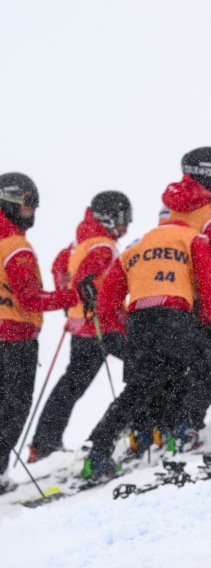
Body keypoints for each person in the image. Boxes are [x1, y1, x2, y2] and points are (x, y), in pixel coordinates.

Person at [81, 216, 211, 479]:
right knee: (208, 368)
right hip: (175, 314)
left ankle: (98, 450)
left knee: (139, 388)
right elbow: (210, 285)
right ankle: (181, 431)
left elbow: (107, 301)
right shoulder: (193, 238)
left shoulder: (135, 246)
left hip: (139, 319)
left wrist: (125, 330)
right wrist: (203, 321)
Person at [28, 192, 132, 463]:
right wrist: (85, 288)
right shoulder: (104, 246)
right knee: (145, 369)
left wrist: (69, 300)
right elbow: (87, 273)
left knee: (71, 385)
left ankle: (44, 444)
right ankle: (141, 426)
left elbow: (59, 267)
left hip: (80, 327)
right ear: (107, 218)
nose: (127, 226)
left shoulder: (77, 243)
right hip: (104, 326)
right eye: (124, 219)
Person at [0, 173, 80, 495]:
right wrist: (74, 296)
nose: (34, 213)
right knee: (14, 411)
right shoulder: (16, 248)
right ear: (12, 203)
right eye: (30, 204)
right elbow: (31, 298)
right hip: (14, 338)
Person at [161, 147, 211, 443]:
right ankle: (186, 425)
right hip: (203, 303)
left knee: (180, 365)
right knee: (210, 369)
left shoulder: (169, 212)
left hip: (171, 301)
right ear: (206, 175)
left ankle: (165, 424)